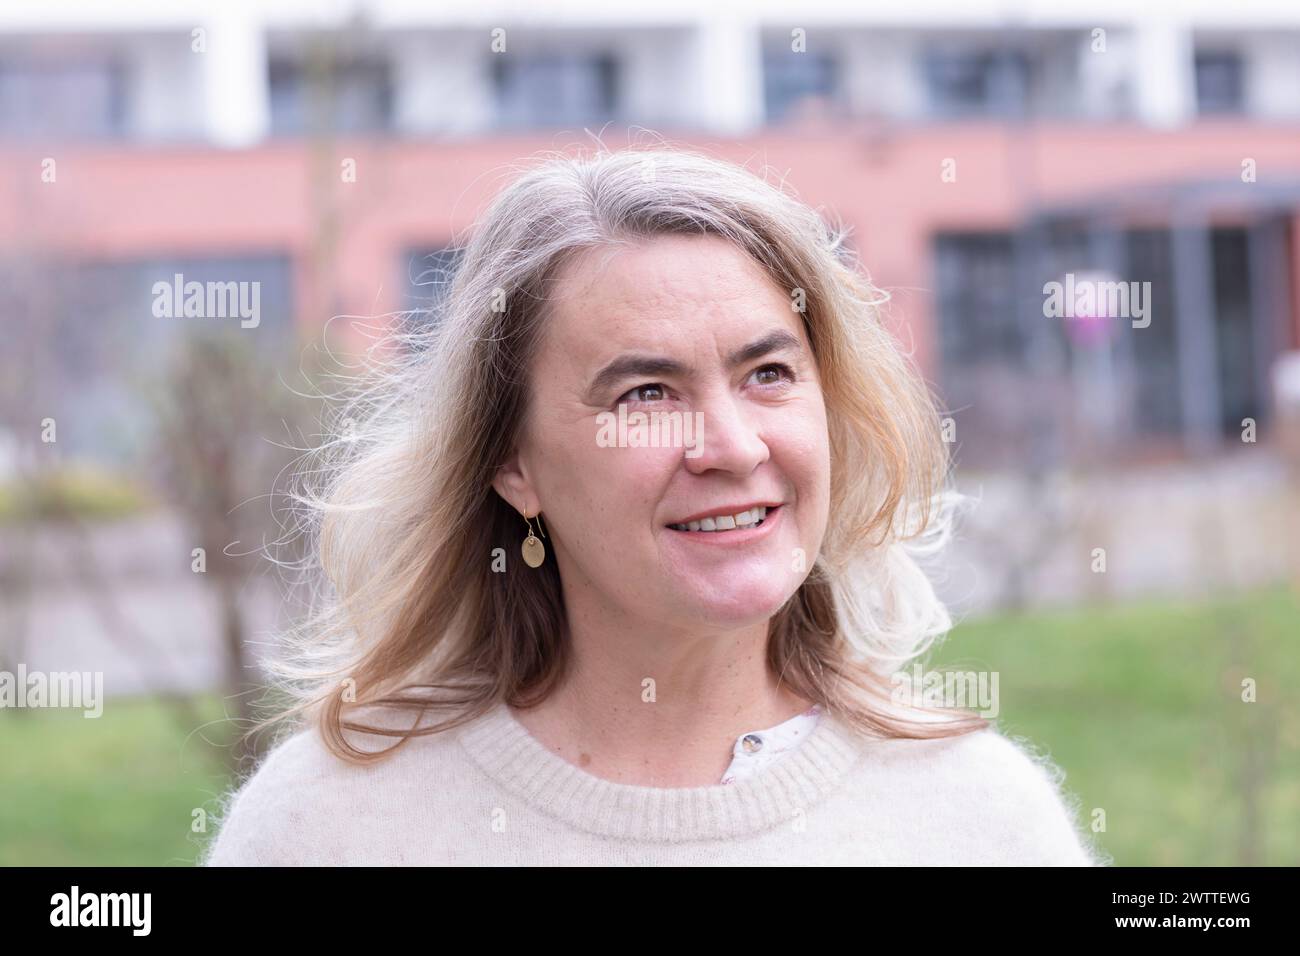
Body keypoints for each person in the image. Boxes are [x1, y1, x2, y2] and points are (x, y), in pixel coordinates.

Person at [203, 146, 1105, 866]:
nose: (735, 446)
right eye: (646, 393)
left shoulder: (977, 821)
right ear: (513, 463)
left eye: (768, 374)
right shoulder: (330, 828)